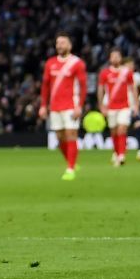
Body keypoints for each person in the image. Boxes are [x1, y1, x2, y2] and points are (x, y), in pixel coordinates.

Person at [40, 34, 88, 181]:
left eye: (63, 43)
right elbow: (45, 86)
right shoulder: (50, 63)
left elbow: (83, 86)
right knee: (60, 137)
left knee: (71, 135)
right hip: (55, 107)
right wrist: (43, 106)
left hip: (70, 106)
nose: (59, 45)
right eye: (57, 43)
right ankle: (71, 161)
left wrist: (79, 106)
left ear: (70, 46)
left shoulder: (77, 63)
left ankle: (70, 168)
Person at [98, 49, 139, 167]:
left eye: (117, 56)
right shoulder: (104, 73)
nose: (115, 58)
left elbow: (133, 88)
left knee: (122, 129)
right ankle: (116, 153)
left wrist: (136, 105)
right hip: (110, 107)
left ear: (120, 58)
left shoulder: (127, 72)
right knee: (114, 131)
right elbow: (101, 90)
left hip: (124, 106)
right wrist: (101, 105)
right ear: (110, 59)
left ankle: (121, 155)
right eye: (113, 56)